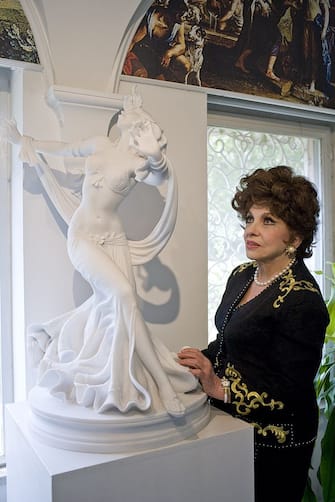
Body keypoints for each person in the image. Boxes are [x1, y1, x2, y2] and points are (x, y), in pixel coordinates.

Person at [2, 87, 199, 417]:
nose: (126, 110)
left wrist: (156, 155)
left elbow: (159, 176)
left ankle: (51, 332)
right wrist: (26, 142)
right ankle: (163, 385)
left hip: (115, 240)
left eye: (133, 112)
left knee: (123, 308)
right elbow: (65, 148)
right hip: (84, 237)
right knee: (123, 296)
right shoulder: (99, 144)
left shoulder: (139, 163)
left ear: (139, 130)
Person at [178, 165, 329, 502]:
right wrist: (197, 360)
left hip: (277, 443)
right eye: (249, 218)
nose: (252, 230)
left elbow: (290, 391)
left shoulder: (303, 300)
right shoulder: (242, 274)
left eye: (268, 220)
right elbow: (228, 342)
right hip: (231, 428)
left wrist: (219, 387)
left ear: (295, 237)